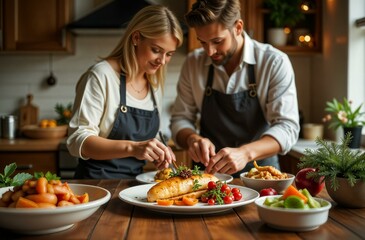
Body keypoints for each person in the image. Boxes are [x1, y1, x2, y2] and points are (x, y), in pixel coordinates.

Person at [170, 0, 299, 178]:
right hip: (209, 178)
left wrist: (245, 153)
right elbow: (180, 120)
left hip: (261, 177)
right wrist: (192, 139)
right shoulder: (193, 64)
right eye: (203, 42)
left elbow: (287, 127)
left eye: (217, 41)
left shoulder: (273, 62)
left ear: (238, 27)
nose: (209, 51)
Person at [67, 5, 183, 179]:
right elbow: (78, 141)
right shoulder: (101, 75)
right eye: (156, 50)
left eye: (169, 54)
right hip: (96, 184)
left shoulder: (154, 82)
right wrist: (133, 148)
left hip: (134, 184)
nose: (162, 61)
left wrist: (157, 151)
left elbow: (143, 142)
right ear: (136, 38)